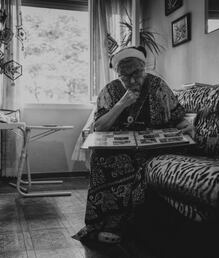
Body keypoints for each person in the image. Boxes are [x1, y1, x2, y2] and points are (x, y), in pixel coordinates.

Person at [73, 46, 192, 243]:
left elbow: (178, 116)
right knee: (103, 158)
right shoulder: (110, 90)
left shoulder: (158, 86)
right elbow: (99, 127)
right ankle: (110, 223)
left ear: (144, 68)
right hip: (121, 147)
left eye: (137, 73)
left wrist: (186, 126)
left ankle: (133, 224)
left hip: (154, 147)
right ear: (118, 74)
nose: (132, 80)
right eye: (125, 76)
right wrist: (121, 104)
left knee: (143, 161)